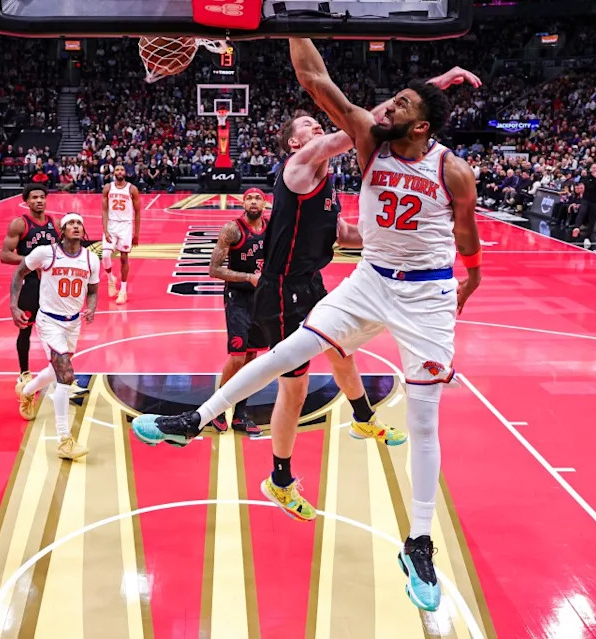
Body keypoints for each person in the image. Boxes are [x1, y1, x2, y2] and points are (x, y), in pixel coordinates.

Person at [132, 43, 480, 613]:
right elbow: (317, 79)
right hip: (339, 281)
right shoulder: (347, 145)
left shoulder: (447, 167)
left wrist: (473, 280)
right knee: (289, 359)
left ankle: (417, 540)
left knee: (421, 416)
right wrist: (289, 19)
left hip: (421, 292)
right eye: (387, 101)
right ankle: (196, 421)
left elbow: (459, 241)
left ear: (418, 123)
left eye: (398, 104)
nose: (382, 109)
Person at [11, 214, 99, 461]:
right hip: (49, 321)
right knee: (66, 376)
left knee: (56, 368)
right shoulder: (45, 253)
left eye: (79, 223)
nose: (76, 226)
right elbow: (19, 273)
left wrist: (91, 307)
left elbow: (92, 290)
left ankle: (27, 391)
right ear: (62, 230)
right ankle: (64, 440)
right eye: (71, 223)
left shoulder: (91, 258)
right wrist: (13, 305)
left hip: (73, 323)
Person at [1, 184, 87, 398]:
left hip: (53, 286)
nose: (39, 201)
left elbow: (65, 249)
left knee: (60, 330)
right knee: (25, 330)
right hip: (30, 284)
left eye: (42, 197)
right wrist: (35, 262)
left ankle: (63, 377)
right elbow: (5, 255)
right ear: (27, 201)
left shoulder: (55, 224)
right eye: (34, 198)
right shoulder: (19, 224)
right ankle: (24, 373)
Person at [207, 188, 269, 435]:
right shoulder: (232, 229)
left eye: (258, 198)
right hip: (238, 297)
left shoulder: (271, 228)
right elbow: (214, 269)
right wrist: (247, 277)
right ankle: (218, 407)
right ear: (243, 203)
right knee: (237, 356)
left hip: (261, 298)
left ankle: (240, 414)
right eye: (249, 198)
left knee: (252, 358)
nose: (253, 202)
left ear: (264, 203)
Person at [101, 165, 141, 304]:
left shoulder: (132, 189)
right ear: (114, 172)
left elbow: (137, 212)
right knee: (105, 255)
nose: (119, 172)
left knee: (124, 258)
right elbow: (104, 210)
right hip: (111, 224)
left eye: (121, 170)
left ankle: (123, 291)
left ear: (125, 173)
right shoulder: (108, 188)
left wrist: (136, 233)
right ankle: (110, 278)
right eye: (117, 170)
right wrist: (105, 229)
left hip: (126, 225)